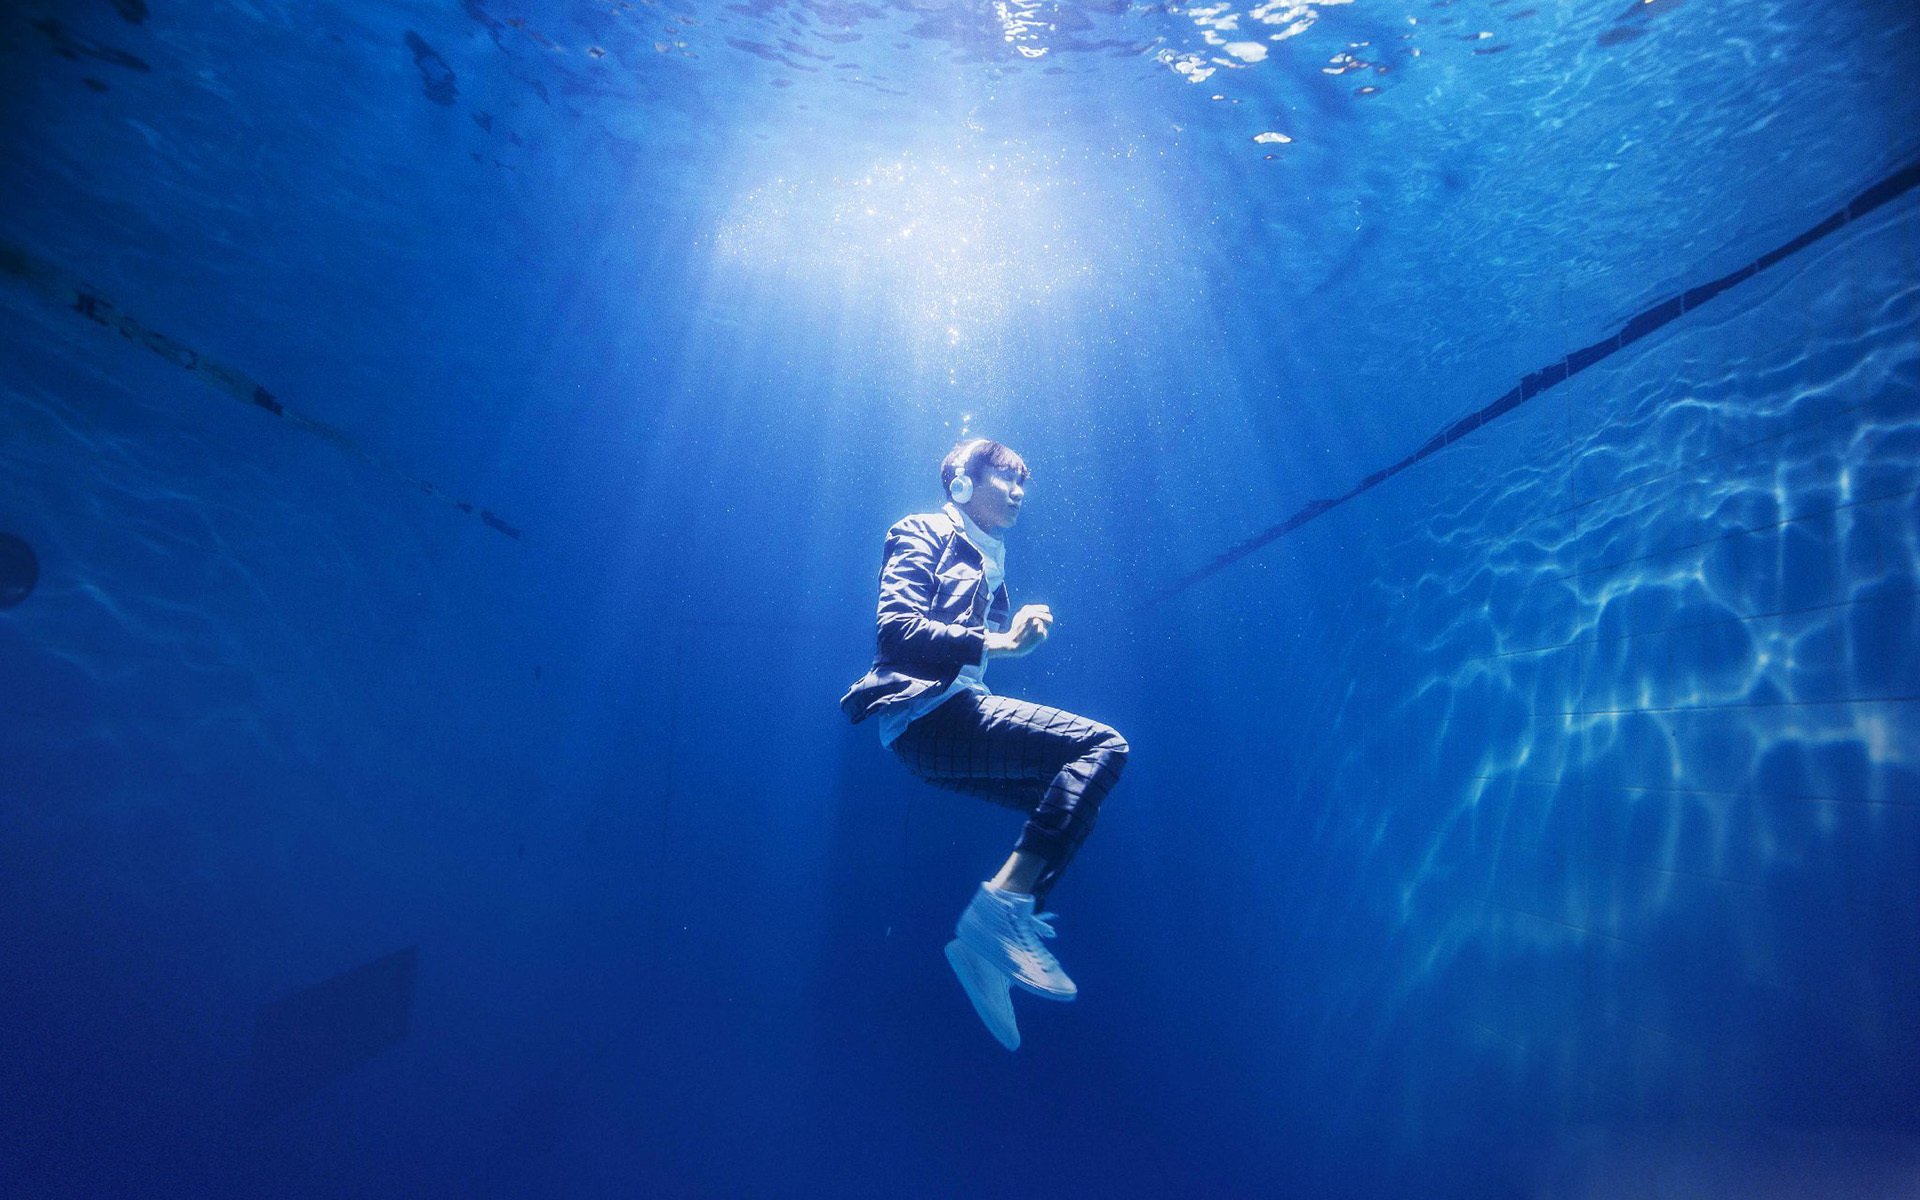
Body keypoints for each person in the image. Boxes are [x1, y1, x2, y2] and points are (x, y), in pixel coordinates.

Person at [840, 438, 1130, 1050]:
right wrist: (1000, 643)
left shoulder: (987, 558)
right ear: (963, 485)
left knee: (1072, 794)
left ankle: (991, 952)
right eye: (1006, 478)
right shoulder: (920, 530)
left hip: (935, 732)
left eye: (1025, 480)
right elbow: (898, 632)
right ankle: (995, 916)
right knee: (1102, 747)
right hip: (932, 718)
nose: (1020, 491)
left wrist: (1002, 631)